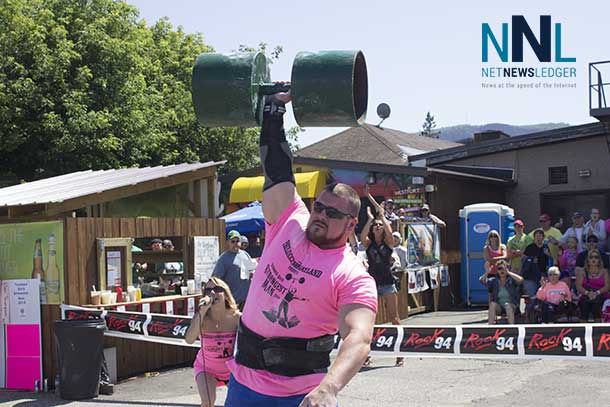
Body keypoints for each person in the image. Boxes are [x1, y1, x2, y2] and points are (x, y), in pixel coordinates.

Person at [224, 91, 377, 407]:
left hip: (302, 395)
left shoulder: (352, 275)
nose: (321, 215)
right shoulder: (290, 221)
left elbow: (358, 338)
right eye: (320, 206)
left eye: (333, 213)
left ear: (351, 224)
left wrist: (329, 389)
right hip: (244, 385)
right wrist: (273, 112)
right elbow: (277, 168)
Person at [185, 277, 240, 407]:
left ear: (226, 295)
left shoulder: (236, 318)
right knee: (207, 402)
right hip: (207, 368)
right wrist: (201, 312)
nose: (212, 292)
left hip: (233, 370)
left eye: (217, 289)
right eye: (208, 290)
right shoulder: (202, 317)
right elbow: (189, 340)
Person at [361, 205, 403, 367]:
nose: (377, 227)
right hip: (372, 283)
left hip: (387, 282)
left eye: (379, 226)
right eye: (375, 226)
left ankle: (400, 353)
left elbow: (390, 232)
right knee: (370, 320)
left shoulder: (388, 243)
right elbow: (363, 234)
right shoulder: (369, 244)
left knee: (395, 317)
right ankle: (366, 355)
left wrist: (383, 217)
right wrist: (370, 219)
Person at [212, 230, 256, 309]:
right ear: (228, 242)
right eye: (233, 241)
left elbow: (251, 270)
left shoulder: (245, 254)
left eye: (237, 241)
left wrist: (252, 273)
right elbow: (216, 278)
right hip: (232, 301)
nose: (236, 243)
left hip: (246, 300)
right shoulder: (223, 258)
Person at [479, 259, 523, 324]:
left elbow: (521, 280)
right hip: (500, 308)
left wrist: (508, 272)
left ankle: (512, 327)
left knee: (507, 305)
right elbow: (482, 281)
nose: (502, 270)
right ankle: (490, 327)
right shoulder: (494, 281)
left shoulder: (511, 280)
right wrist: (487, 272)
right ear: (497, 271)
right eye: (499, 269)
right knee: (492, 304)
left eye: (503, 268)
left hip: (512, 306)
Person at [575, 249, 610, 322]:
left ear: (599, 260)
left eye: (596, 257)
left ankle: (598, 330)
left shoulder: (604, 271)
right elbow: (578, 286)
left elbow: (607, 287)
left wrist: (596, 293)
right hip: (586, 294)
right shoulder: (581, 272)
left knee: (597, 304)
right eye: (591, 257)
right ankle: (583, 329)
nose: (593, 259)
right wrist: (588, 293)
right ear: (588, 259)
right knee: (584, 304)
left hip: (601, 294)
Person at [522, 229, 551, 298]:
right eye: (536, 236)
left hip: (543, 274)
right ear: (534, 237)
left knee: (543, 295)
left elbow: (551, 260)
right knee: (532, 296)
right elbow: (523, 259)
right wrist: (531, 260)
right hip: (530, 275)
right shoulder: (529, 247)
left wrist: (548, 254)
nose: (538, 238)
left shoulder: (546, 247)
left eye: (540, 236)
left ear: (543, 237)